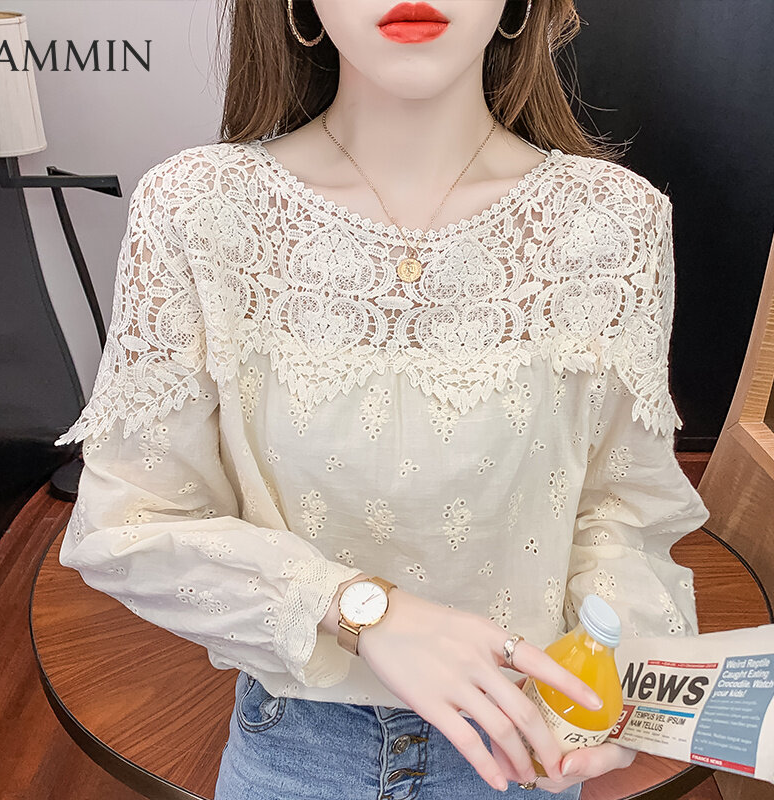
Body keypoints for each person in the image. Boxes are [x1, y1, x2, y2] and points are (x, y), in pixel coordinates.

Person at [53, 0, 711, 797]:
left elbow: (620, 512)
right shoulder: (197, 211)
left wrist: (618, 685)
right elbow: (129, 523)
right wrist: (363, 609)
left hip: (523, 743)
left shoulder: (614, 224)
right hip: (296, 748)